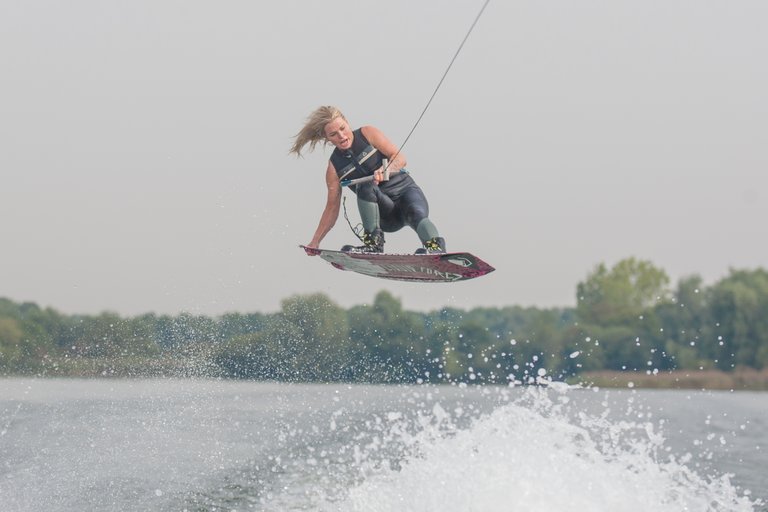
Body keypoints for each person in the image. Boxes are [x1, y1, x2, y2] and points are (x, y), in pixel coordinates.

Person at [291, 106, 446, 255]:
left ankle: (436, 249)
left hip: (408, 195)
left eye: (343, 128)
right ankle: (372, 245)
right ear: (327, 138)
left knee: (416, 214)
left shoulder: (368, 133)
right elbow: (331, 208)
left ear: (347, 122)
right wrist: (315, 241)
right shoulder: (333, 168)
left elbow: (399, 157)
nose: (341, 136)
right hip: (386, 215)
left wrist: (388, 169)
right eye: (333, 134)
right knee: (364, 185)